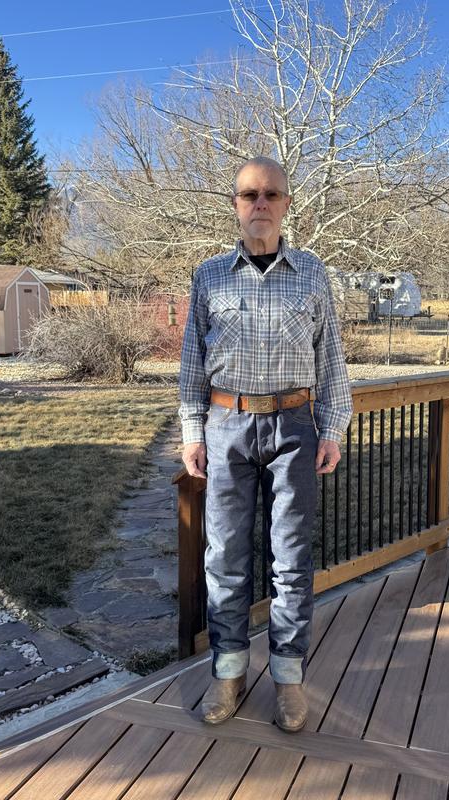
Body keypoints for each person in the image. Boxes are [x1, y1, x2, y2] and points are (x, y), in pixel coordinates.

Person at [179, 156, 352, 732]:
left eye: (270, 194)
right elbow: (191, 365)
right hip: (226, 427)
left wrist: (333, 428)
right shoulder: (209, 276)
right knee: (225, 557)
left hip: (295, 429)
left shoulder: (312, 273)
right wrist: (191, 432)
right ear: (235, 204)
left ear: (285, 204)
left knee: (291, 560)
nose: (260, 204)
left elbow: (331, 359)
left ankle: (287, 678)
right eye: (249, 194)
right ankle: (227, 674)